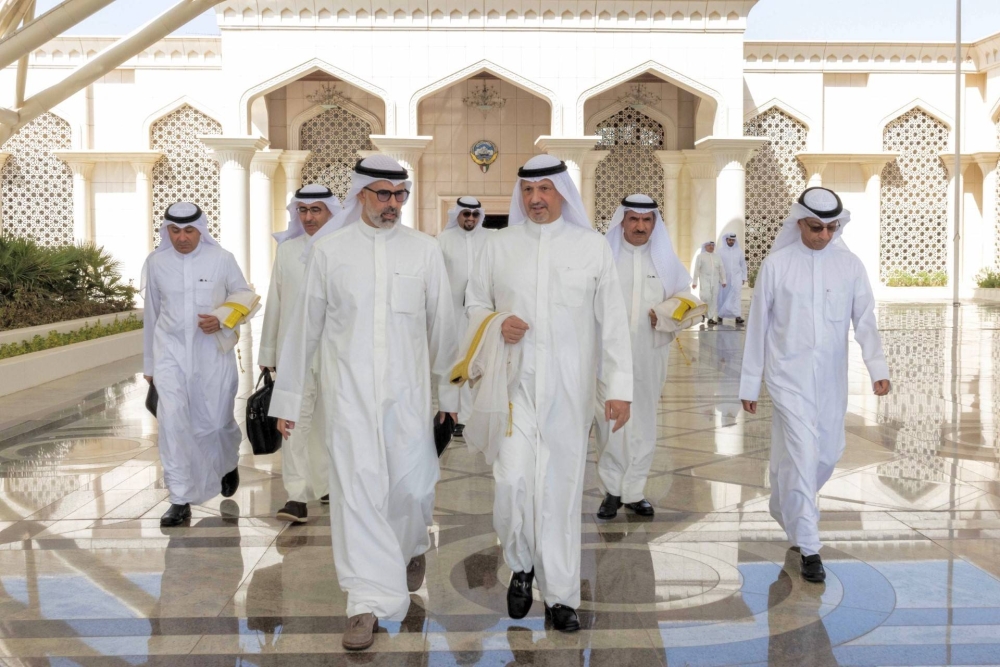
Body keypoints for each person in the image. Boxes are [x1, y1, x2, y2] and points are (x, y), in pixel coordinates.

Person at [268, 156, 458, 651]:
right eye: (383, 194)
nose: (393, 204)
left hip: (408, 400)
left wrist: (451, 394)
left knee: (414, 489)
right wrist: (289, 400)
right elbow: (303, 332)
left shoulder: (424, 251)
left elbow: (444, 328)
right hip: (347, 399)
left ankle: (411, 545)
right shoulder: (329, 251)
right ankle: (363, 603)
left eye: (400, 195)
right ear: (361, 195)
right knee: (357, 496)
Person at [465, 154, 633, 632]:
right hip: (512, 387)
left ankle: (560, 595)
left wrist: (619, 388)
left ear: (562, 192)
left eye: (544, 189)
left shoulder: (591, 247)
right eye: (527, 190)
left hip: (569, 390)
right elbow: (474, 304)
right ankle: (521, 563)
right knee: (511, 481)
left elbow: (613, 321)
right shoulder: (498, 246)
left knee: (560, 491)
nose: (535, 199)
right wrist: (496, 324)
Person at [739, 187, 890, 584]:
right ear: (798, 223)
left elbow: (865, 319)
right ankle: (810, 547)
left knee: (828, 452)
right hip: (786, 378)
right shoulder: (777, 264)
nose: (823, 235)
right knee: (804, 453)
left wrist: (878, 367)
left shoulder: (850, 265)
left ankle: (783, 502)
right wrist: (750, 383)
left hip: (831, 380)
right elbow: (758, 327)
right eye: (815, 227)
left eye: (830, 228)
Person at [141, 202, 253, 527]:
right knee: (173, 425)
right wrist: (150, 365)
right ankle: (179, 499)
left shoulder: (222, 259)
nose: (182, 238)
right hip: (170, 356)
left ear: (200, 230)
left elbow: (244, 294)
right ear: (167, 231)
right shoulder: (156, 263)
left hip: (212, 355)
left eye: (189, 230)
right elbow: (152, 314)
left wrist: (222, 318)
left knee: (217, 423)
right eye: (175, 231)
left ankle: (227, 462)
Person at [595, 194, 691, 520]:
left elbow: (686, 299)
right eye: (633, 219)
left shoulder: (666, 262)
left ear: (654, 223)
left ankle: (634, 491)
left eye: (646, 220)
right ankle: (612, 490)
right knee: (610, 422)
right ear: (622, 221)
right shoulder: (604, 257)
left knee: (644, 420)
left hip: (650, 353)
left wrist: (665, 313)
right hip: (608, 357)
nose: (639, 226)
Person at [259, 184, 342, 524]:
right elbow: (275, 302)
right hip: (295, 352)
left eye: (316, 210)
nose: (308, 217)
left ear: (331, 212)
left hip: (336, 351)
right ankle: (295, 496)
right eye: (303, 211)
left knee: (328, 420)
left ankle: (325, 484)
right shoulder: (288, 251)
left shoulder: (345, 248)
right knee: (293, 420)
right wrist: (268, 351)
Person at [437, 196, 489, 435]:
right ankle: (455, 415)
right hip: (452, 313)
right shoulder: (443, 240)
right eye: (466, 213)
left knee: (480, 363)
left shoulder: (490, 239)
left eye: (475, 214)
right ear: (456, 214)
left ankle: (477, 417)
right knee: (454, 361)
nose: (471, 218)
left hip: (482, 313)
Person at [692, 240, 726, 326]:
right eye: (709, 245)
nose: (711, 247)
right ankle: (703, 313)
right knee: (705, 296)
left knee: (713, 299)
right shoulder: (700, 256)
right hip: (704, 279)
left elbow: (721, 269)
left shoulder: (717, 257)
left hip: (715, 280)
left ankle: (710, 318)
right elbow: (697, 269)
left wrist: (723, 280)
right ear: (705, 247)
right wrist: (695, 281)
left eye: (712, 245)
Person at [717, 233, 747, 325]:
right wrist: (719, 277)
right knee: (723, 296)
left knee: (736, 296)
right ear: (726, 240)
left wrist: (744, 277)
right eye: (730, 240)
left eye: (733, 240)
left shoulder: (739, 251)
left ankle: (737, 316)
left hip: (737, 277)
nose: (731, 242)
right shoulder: (720, 251)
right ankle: (720, 315)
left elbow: (743, 265)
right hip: (724, 278)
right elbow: (718, 265)